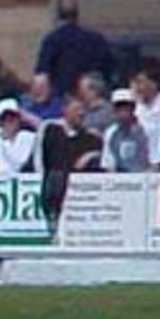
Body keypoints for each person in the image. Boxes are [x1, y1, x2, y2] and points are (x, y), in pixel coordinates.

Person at [37, 93, 102, 237]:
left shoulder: (90, 138)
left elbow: (103, 155)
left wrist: (91, 155)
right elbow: (42, 158)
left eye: (83, 109)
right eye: (76, 109)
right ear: (65, 110)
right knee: (56, 176)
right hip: (54, 181)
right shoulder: (52, 130)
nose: (81, 113)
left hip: (81, 192)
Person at [33, 0, 115, 97]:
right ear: (77, 16)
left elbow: (42, 74)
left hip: (64, 96)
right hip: (94, 95)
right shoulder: (96, 39)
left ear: (58, 17)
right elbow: (109, 68)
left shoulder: (53, 40)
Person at [100, 88, 153, 172]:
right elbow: (109, 165)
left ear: (133, 108)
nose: (123, 111)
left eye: (126, 107)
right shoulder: (110, 133)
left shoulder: (149, 130)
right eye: (119, 107)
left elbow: (155, 164)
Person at [0, 97, 36, 175]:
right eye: (4, 118)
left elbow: (46, 131)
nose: (8, 120)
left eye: (12, 117)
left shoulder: (30, 138)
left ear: (19, 119)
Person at [130, 67, 160, 169]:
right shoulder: (136, 105)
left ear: (153, 84)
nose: (138, 87)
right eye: (137, 83)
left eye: (141, 83)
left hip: (156, 152)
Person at [77, 72, 115, 137]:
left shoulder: (109, 111)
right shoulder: (81, 110)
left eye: (82, 90)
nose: (80, 94)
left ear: (94, 91)